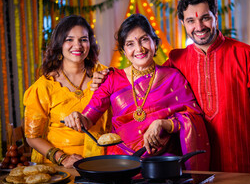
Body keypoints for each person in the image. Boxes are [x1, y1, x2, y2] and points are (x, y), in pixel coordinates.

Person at [91, 0, 250, 181]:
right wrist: (106, 76)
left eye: (205, 18)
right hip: (196, 162)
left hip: (242, 158)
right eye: (191, 20)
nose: (199, 27)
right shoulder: (176, 60)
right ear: (183, 23)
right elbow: (148, 83)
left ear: (216, 17)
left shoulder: (245, 55)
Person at [64, 14, 210, 171]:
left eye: (144, 39)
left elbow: (194, 117)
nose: (139, 49)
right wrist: (77, 118)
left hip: (163, 164)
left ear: (154, 42)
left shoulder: (172, 77)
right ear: (124, 51)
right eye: (130, 44)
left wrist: (163, 123)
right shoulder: (111, 79)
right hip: (121, 163)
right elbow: (88, 118)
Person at [24, 15, 110, 168]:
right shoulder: (44, 86)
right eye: (69, 39)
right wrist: (62, 158)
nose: (77, 45)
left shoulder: (104, 75)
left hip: (102, 162)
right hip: (61, 167)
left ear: (90, 43)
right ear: (59, 44)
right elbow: (33, 137)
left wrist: (109, 82)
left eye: (83, 39)